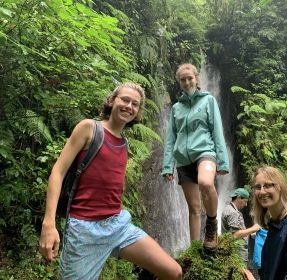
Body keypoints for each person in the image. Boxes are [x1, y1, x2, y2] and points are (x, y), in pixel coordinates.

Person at [39, 83, 182, 280]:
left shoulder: (124, 143)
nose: (129, 106)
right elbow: (58, 171)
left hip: (118, 225)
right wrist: (49, 223)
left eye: (135, 104)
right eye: (124, 99)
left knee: (173, 272)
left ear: (138, 112)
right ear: (111, 100)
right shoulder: (89, 128)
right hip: (84, 230)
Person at [162, 63, 229, 251]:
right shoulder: (176, 108)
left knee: (206, 183)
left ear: (197, 79)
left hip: (205, 152)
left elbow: (217, 130)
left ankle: (211, 224)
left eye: (189, 78)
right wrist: (168, 166)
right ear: (179, 82)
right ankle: (194, 249)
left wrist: (222, 161)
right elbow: (170, 138)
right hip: (183, 160)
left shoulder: (208, 101)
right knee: (193, 208)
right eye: (183, 79)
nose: (186, 82)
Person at [221, 188, 261, 264]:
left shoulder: (229, 209)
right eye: (245, 201)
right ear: (239, 198)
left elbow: (235, 232)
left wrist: (250, 233)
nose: (246, 205)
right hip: (236, 257)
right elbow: (235, 235)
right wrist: (253, 229)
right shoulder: (233, 213)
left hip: (234, 255)